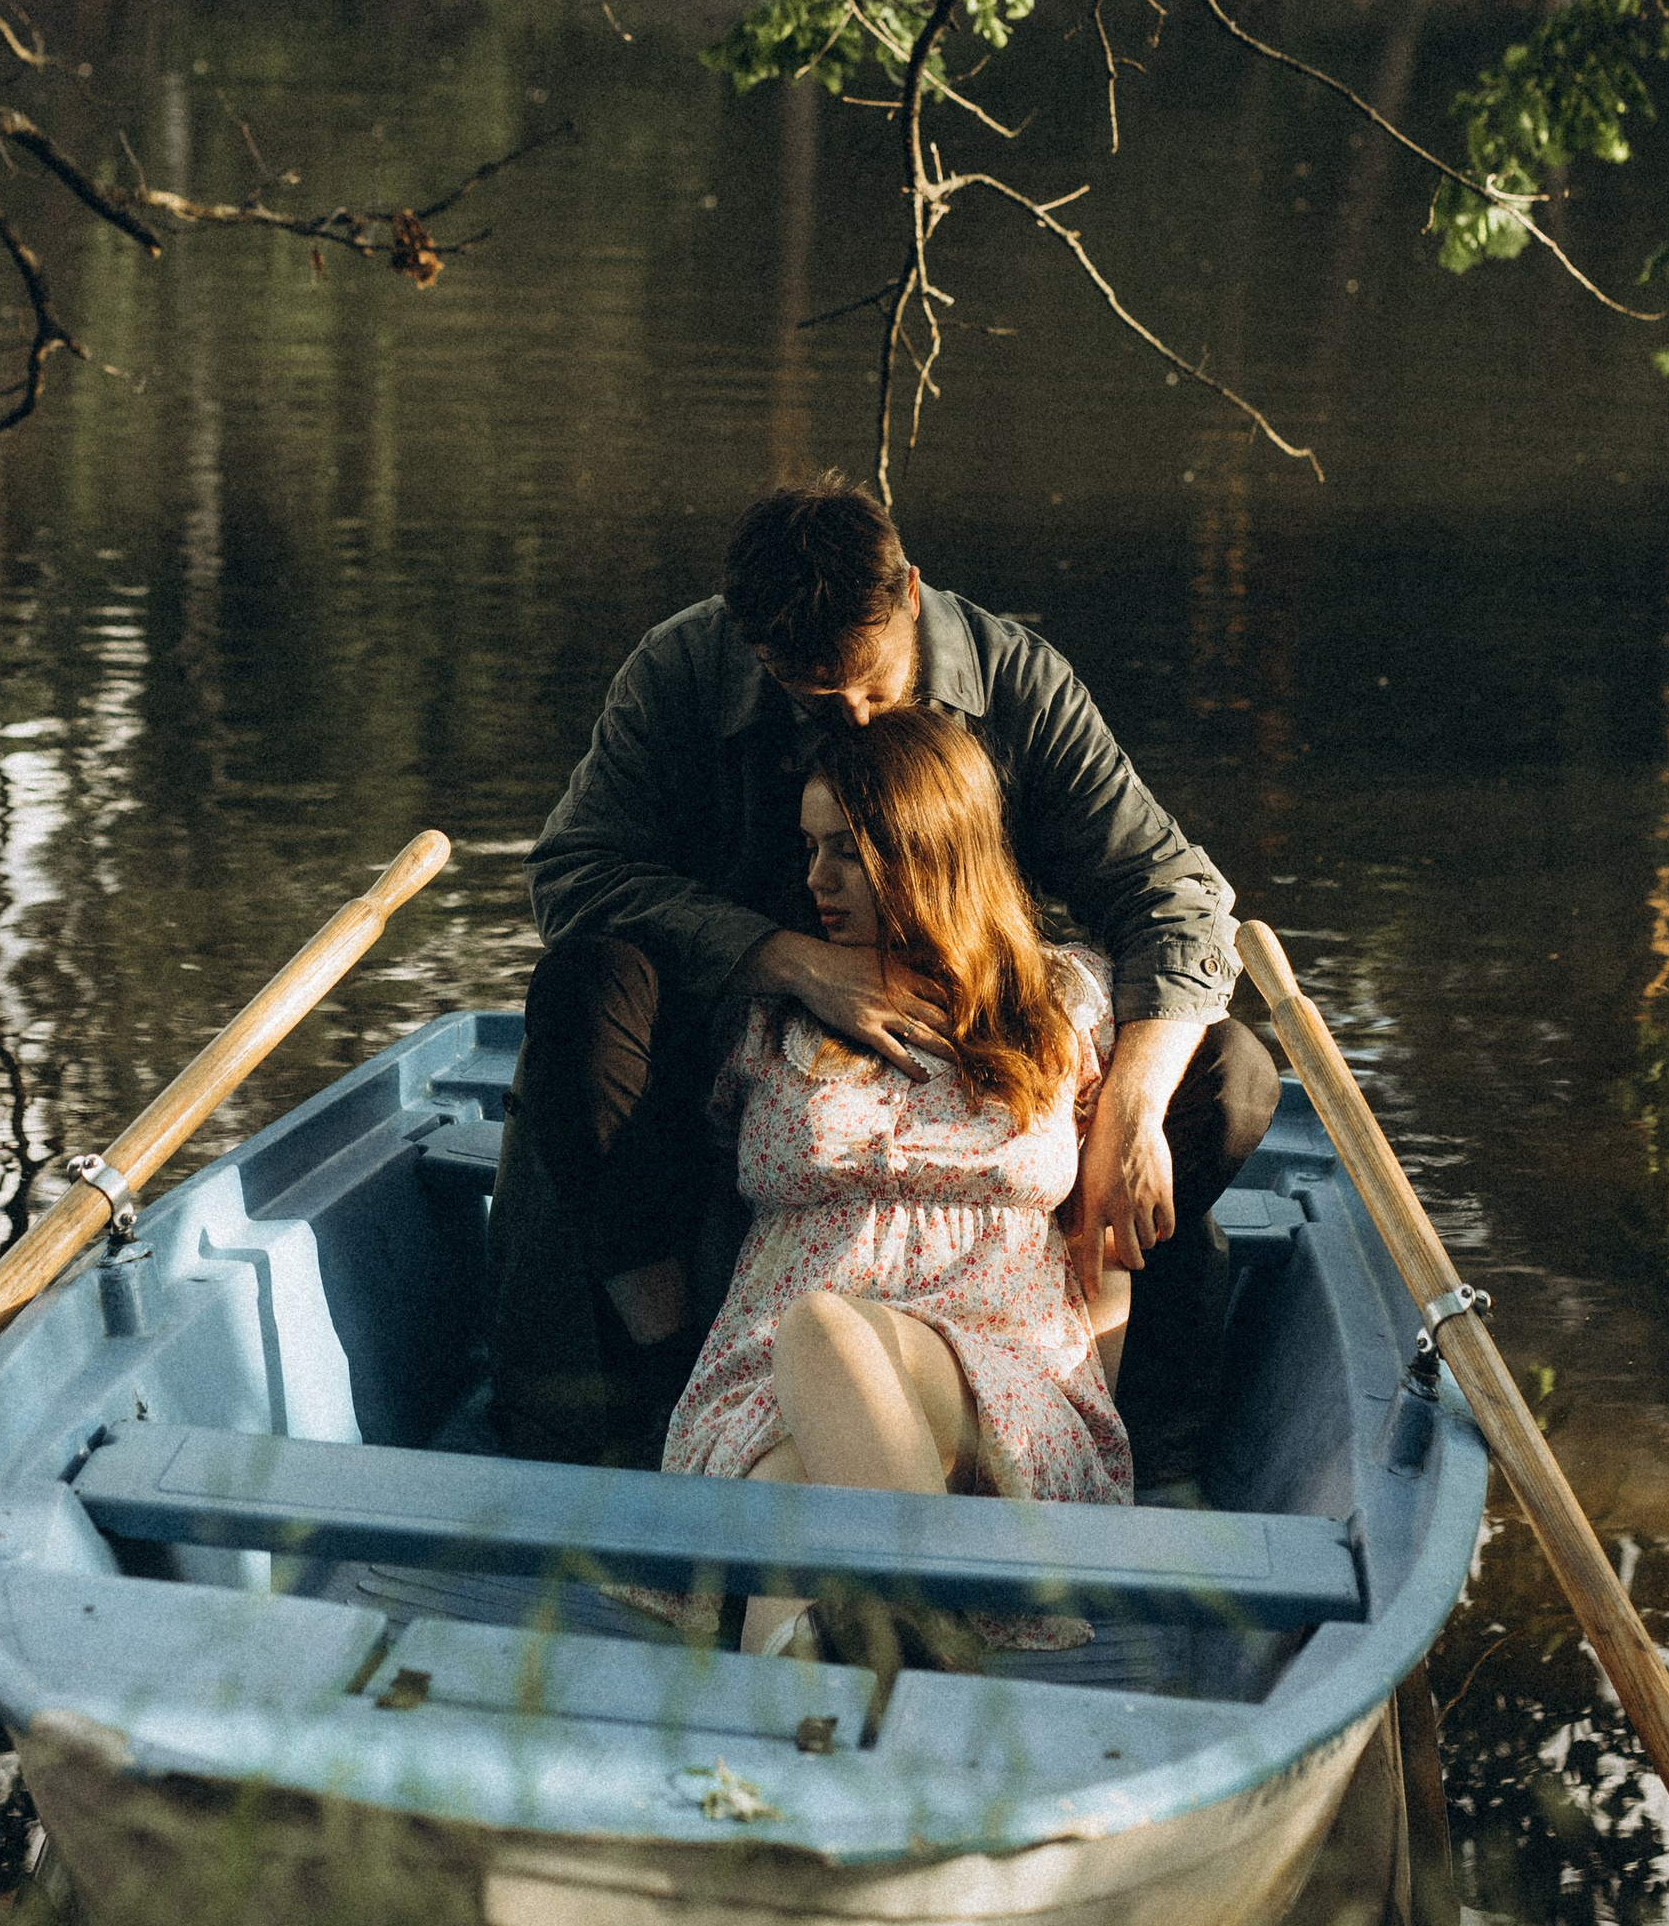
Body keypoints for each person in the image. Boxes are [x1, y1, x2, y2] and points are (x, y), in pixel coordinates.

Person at [487, 476, 1276, 1488]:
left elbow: (1173, 896)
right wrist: (790, 963)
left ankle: (1119, 1391)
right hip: (743, 1023)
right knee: (586, 990)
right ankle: (666, 1376)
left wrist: (1124, 1111)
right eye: (812, 699)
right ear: (749, 644)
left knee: (1231, 1073)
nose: (852, 718)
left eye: (869, 684)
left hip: (976, 1024)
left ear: (908, 592)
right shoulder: (681, 668)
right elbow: (572, 873)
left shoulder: (1020, 683)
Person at [663, 712, 1131, 1659]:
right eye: (809, 849)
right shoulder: (774, 1010)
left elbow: (1105, 1233)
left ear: (927, 847)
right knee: (793, 1479)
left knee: (826, 1329)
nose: (814, 879)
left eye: (845, 850)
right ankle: (896, 1676)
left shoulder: (1063, 1000)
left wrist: (1094, 1417)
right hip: (767, 1385)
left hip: (1002, 1385)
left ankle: (878, 1679)